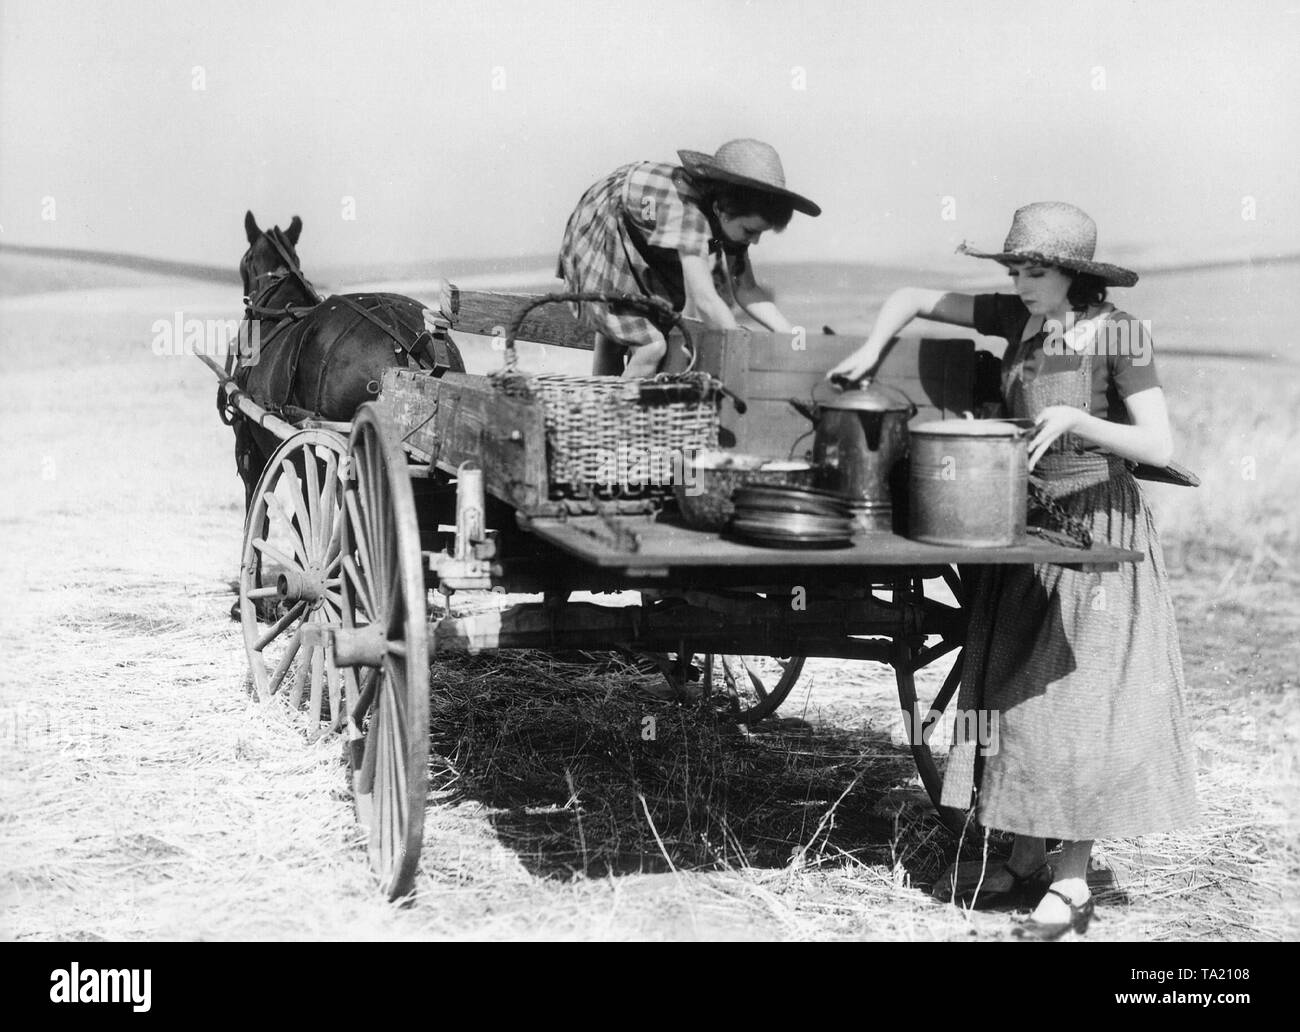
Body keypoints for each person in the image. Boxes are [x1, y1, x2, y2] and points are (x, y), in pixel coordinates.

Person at [829, 202, 1199, 939]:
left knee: (1080, 702)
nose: (1021, 282)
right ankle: (1026, 860)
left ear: (1074, 275)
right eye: (1014, 270)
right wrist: (871, 352)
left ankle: (1071, 883)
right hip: (1023, 524)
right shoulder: (1016, 319)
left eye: (1035, 272)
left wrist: (1076, 421)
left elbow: (1157, 442)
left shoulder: (1119, 333)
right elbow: (908, 299)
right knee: (1016, 691)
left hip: (1095, 530)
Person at [556, 139, 820, 377]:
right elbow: (705, 300)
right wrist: (741, 347)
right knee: (651, 346)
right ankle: (614, 423)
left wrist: (792, 340)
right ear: (721, 211)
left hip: (648, 235)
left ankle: (603, 405)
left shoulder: (731, 219)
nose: (755, 241)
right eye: (750, 231)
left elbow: (746, 288)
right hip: (610, 221)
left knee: (636, 325)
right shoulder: (688, 215)